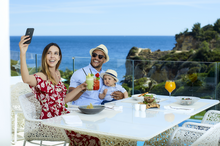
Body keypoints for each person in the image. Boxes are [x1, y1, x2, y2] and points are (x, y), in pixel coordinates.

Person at [19, 35, 100, 146]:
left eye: (56, 53)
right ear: (44, 56)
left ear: (59, 57)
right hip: (50, 121)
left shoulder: (57, 74)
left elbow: (63, 101)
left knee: (94, 134)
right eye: (49, 53)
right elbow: (26, 79)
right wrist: (23, 53)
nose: (52, 56)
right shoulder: (41, 76)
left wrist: (80, 88)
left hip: (63, 117)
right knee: (90, 139)